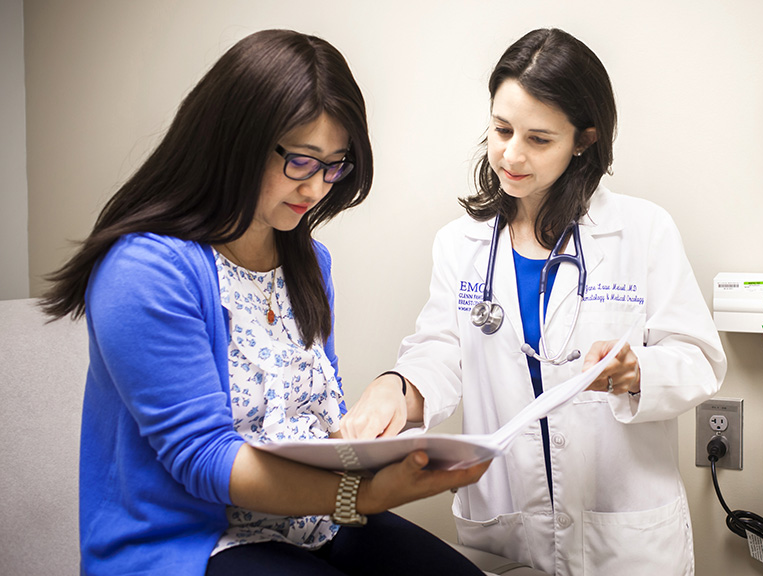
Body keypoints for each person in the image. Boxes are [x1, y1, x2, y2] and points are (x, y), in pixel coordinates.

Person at [40, 29, 489, 576]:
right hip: (197, 543)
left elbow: (306, 416)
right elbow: (204, 460)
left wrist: (367, 442)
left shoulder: (307, 260)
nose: (317, 188)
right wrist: (362, 495)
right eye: (302, 161)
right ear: (234, 141)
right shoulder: (145, 272)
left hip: (310, 523)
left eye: (335, 165)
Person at [339, 28, 727, 576]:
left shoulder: (642, 232)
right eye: (501, 129)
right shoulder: (461, 245)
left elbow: (700, 359)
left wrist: (636, 370)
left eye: (539, 139)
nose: (511, 154)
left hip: (623, 535)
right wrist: (398, 389)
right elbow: (442, 353)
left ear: (584, 139)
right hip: (506, 532)